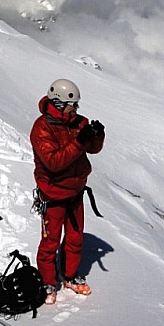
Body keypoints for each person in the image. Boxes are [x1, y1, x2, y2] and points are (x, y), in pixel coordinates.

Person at [30, 78, 105, 305]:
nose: (77, 109)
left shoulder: (78, 122)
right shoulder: (42, 128)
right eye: (74, 105)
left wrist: (96, 135)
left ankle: (70, 276)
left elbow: (93, 149)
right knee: (50, 242)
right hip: (53, 194)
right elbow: (53, 162)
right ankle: (48, 281)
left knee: (75, 237)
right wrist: (80, 142)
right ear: (60, 103)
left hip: (75, 190)